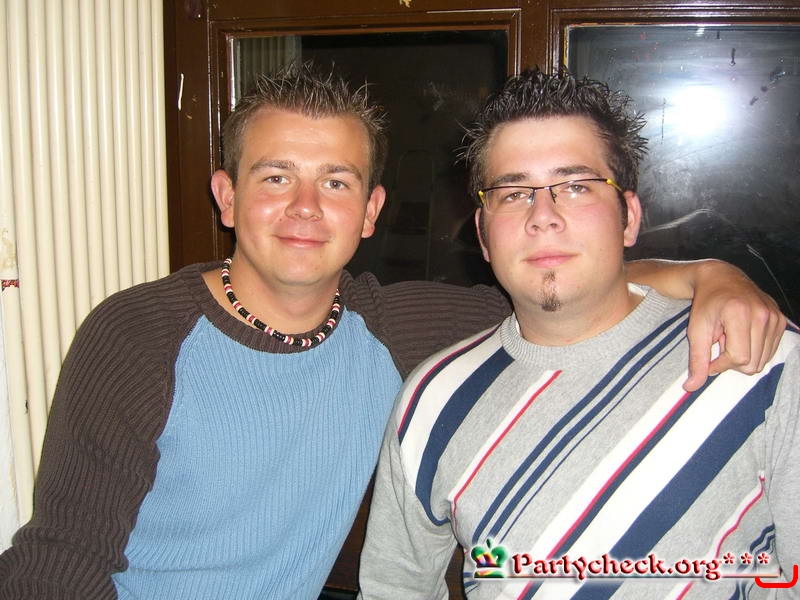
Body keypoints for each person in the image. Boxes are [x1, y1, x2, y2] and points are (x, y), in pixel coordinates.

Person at [0, 63, 785, 600]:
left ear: (371, 211)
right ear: (227, 197)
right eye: (275, 177)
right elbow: (62, 560)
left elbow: (562, 279)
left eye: (336, 182)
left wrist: (709, 273)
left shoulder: (395, 327)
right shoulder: (139, 334)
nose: (305, 207)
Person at [358, 68, 799, 599]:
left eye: (575, 186)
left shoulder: (758, 356)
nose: (543, 216)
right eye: (513, 192)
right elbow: (395, 589)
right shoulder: (431, 400)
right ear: (482, 234)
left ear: (628, 217)